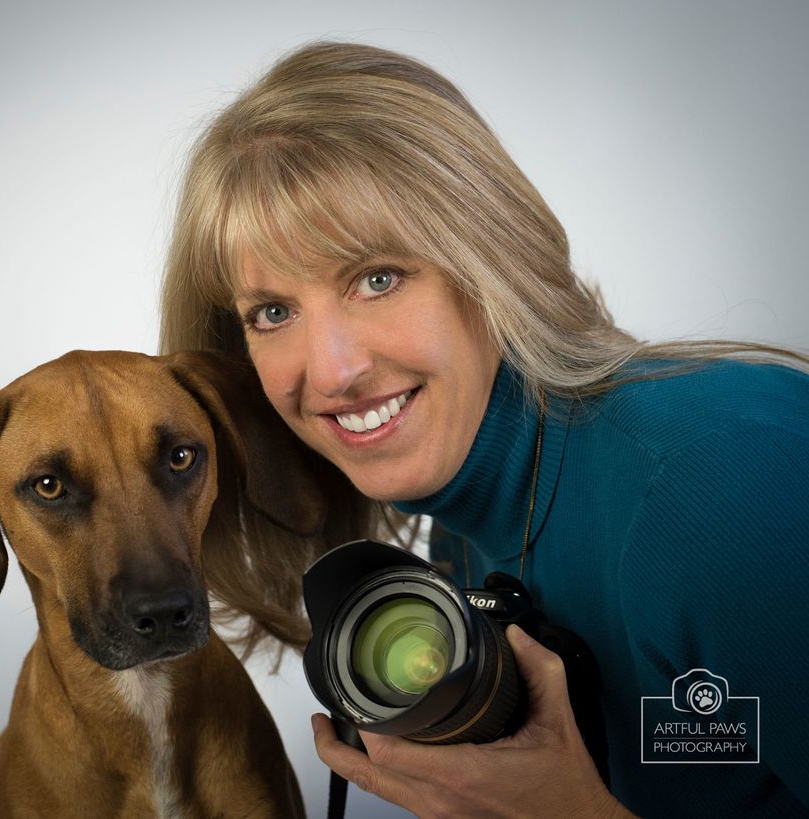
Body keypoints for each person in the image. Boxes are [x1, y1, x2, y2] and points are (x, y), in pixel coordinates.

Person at [158, 41, 809, 817]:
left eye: (377, 278)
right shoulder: (460, 538)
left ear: (489, 256)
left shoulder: (718, 480)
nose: (330, 372)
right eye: (272, 312)